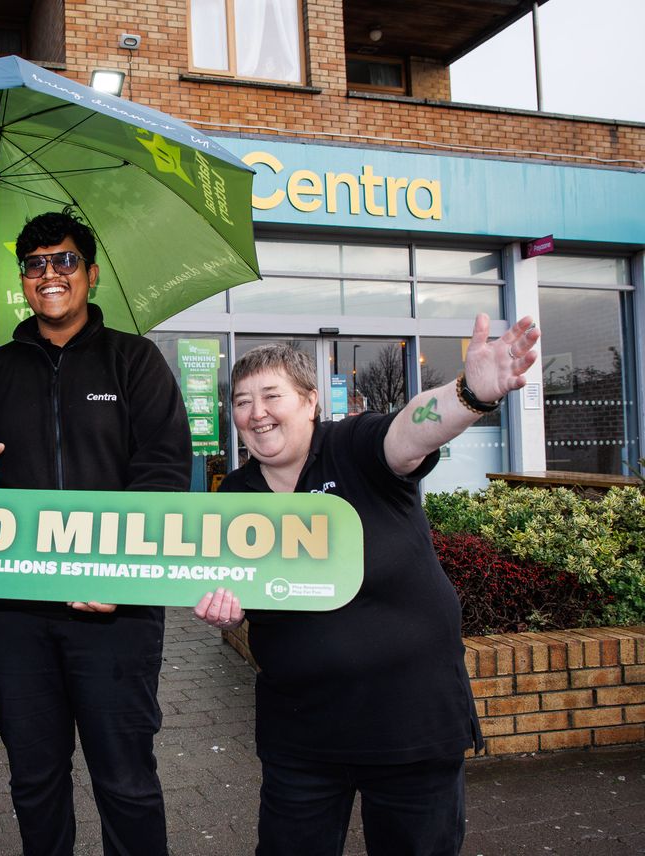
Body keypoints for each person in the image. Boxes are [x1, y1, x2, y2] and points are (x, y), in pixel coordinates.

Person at [194, 313, 541, 856]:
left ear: (310, 401)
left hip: (409, 724)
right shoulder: (235, 496)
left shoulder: (355, 446)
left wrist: (470, 393)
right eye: (241, 401)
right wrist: (227, 611)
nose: (255, 413)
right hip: (300, 734)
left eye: (271, 396)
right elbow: (238, 590)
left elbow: (412, 430)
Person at [0, 208, 191, 856]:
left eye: (64, 260)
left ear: (91, 273)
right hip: (14, 615)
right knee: (34, 782)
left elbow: (163, 474)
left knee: (126, 782)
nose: (49, 274)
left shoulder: (135, 363)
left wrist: (118, 575)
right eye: (35, 264)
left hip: (115, 612)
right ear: (23, 280)